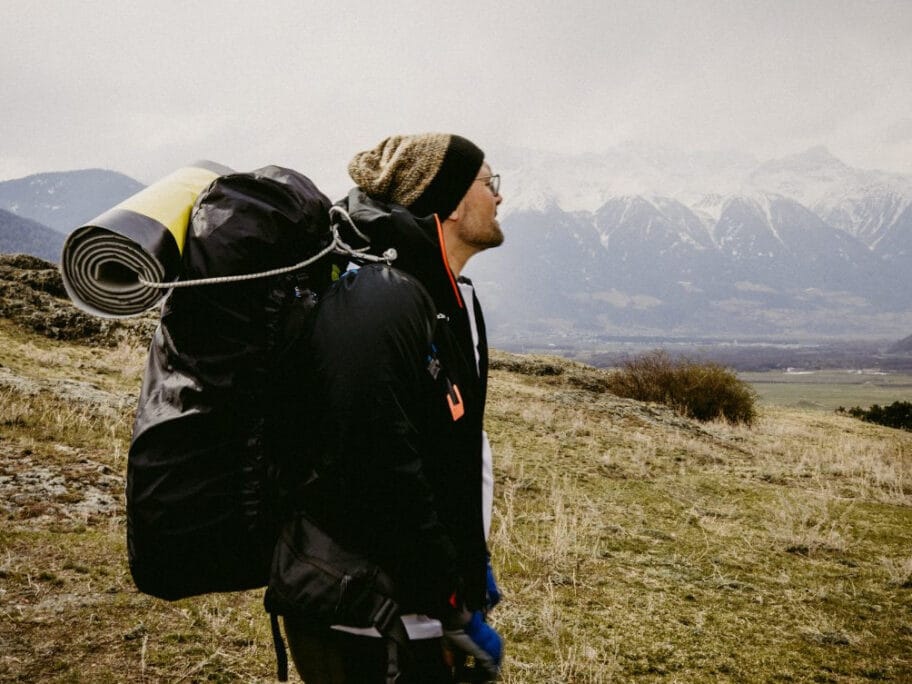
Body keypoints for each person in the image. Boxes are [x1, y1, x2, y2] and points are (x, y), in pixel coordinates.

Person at [281, 133, 505, 683]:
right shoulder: (382, 301)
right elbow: (377, 472)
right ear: (451, 200)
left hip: (410, 610)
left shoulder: (443, 298)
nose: (499, 197)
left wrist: (469, 573)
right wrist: (451, 600)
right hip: (362, 618)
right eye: (488, 183)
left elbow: (444, 454)